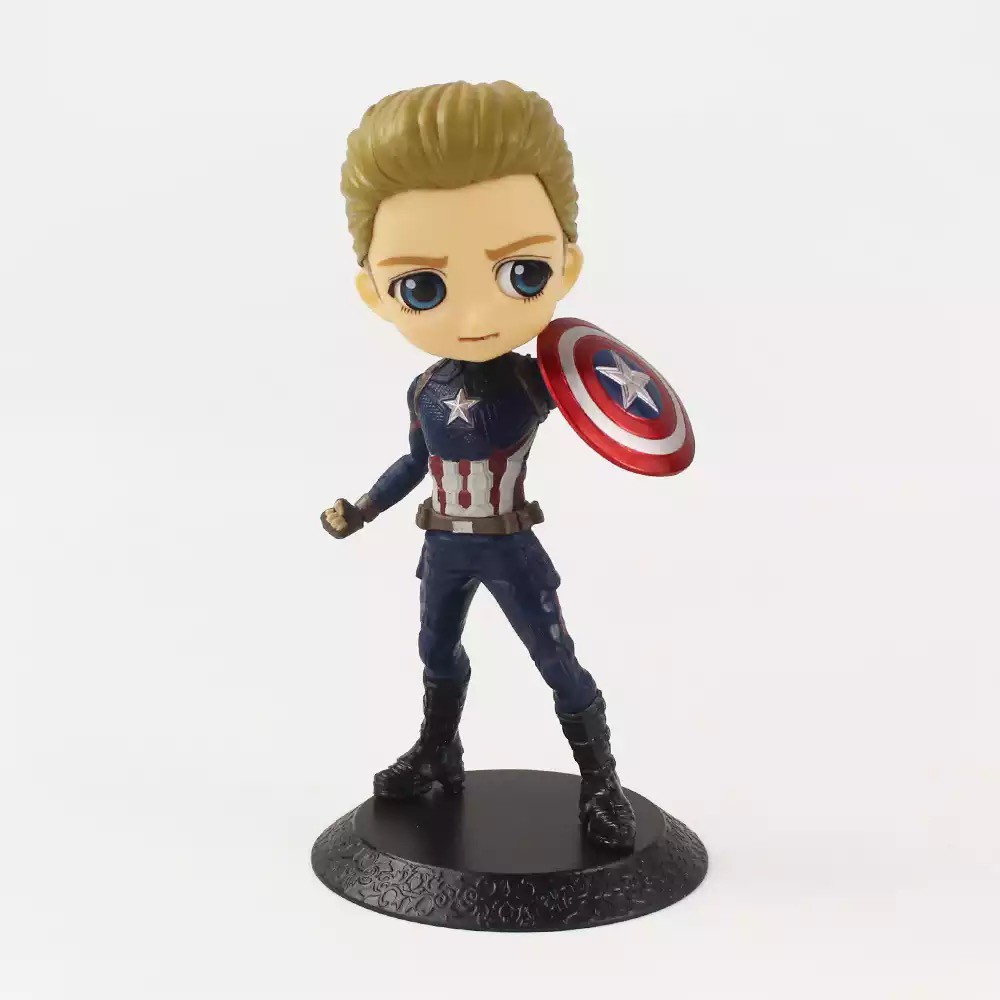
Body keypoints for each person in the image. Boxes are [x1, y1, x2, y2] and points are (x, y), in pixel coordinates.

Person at [321, 80, 636, 851]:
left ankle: (601, 783)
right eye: (422, 286)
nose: (472, 316)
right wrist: (362, 508)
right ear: (376, 292)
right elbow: (415, 462)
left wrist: (638, 432)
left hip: (509, 544)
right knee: (435, 653)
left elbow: (610, 406)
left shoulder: (536, 380)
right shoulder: (425, 387)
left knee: (556, 661)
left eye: (521, 274)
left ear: (564, 266)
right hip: (444, 544)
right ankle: (440, 751)